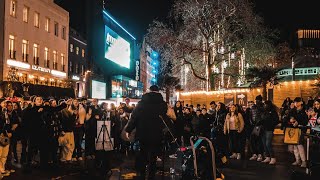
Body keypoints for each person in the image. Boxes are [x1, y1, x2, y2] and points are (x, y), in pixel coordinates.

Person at [124, 85, 169, 179]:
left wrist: (128, 129)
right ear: (158, 91)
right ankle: (151, 175)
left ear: (149, 91)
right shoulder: (163, 104)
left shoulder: (141, 103)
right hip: (157, 134)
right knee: (153, 156)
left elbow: (134, 117)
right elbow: (166, 118)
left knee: (142, 155)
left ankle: (142, 174)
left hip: (142, 133)